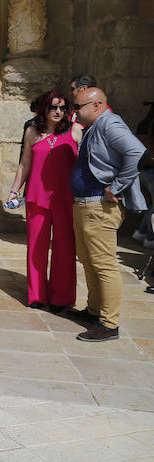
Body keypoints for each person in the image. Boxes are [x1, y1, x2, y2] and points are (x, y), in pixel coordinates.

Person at [67, 88, 147, 342]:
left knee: (104, 265)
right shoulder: (94, 126)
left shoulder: (109, 122)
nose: (74, 112)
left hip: (100, 207)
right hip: (86, 205)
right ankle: (93, 311)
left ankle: (109, 324)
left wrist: (117, 187)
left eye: (78, 107)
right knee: (89, 261)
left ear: (97, 105)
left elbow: (136, 151)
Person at [7, 93, 81, 310]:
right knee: (36, 248)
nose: (58, 112)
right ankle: (37, 295)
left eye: (62, 108)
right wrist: (14, 191)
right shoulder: (32, 131)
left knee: (64, 248)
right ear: (44, 109)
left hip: (65, 199)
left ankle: (61, 298)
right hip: (36, 197)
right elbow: (24, 165)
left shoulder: (76, 130)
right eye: (53, 108)